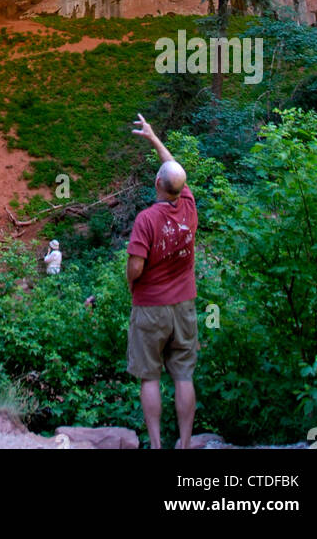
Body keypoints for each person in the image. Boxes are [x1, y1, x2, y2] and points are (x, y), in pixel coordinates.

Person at [126, 113, 199, 450]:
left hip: (151, 306)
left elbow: (135, 267)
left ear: (157, 183)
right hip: (184, 304)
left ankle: (156, 446)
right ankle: (184, 444)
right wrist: (155, 139)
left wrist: (132, 287)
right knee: (183, 374)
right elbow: (174, 169)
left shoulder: (146, 219)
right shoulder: (188, 204)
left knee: (150, 376)